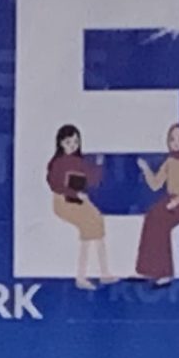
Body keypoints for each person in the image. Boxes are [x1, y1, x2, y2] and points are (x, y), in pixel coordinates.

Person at [134, 122, 179, 285]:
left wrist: (177, 201)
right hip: (169, 199)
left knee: (161, 225)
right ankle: (147, 269)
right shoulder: (170, 161)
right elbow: (156, 184)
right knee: (151, 218)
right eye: (172, 139)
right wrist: (146, 169)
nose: (176, 143)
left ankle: (165, 272)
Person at [45, 123, 112, 287]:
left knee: (98, 221)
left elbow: (92, 179)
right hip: (63, 201)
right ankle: (81, 277)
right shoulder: (57, 163)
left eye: (76, 142)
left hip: (80, 200)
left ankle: (104, 272)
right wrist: (74, 194)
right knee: (88, 226)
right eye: (68, 142)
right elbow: (55, 185)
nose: (73, 146)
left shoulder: (79, 161)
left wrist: (99, 165)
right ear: (61, 143)